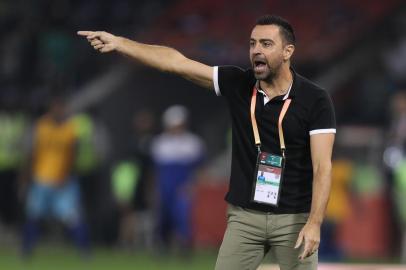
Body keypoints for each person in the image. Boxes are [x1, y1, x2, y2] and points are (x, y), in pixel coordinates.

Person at [78, 14, 336, 270]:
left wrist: (314, 223)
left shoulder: (314, 99)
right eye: (252, 43)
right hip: (246, 218)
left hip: (293, 219)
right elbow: (176, 63)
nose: (256, 50)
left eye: (266, 44)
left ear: (287, 51)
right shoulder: (238, 83)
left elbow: (322, 167)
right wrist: (121, 43)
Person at [20, 96, 89, 257]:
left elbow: (74, 155)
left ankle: (84, 251)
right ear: (51, 109)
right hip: (41, 179)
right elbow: (31, 154)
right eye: (56, 108)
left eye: (61, 108)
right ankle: (26, 251)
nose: (59, 111)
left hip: (63, 181)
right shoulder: (41, 126)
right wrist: (25, 177)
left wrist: (68, 175)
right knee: (33, 215)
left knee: (73, 217)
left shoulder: (71, 128)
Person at [151, 105, 205, 253]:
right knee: (164, 217)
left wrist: (193, 186)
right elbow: (157, 171)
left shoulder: (192, 143)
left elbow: (199, 170)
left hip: (183, 187)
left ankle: (185, 248)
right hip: (165, 187)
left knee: (183, 216)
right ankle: (163, 247)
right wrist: (155, 189)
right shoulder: (160, 143)